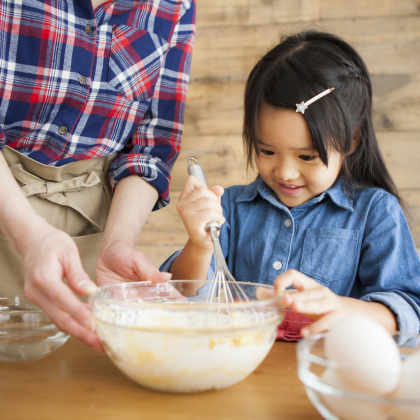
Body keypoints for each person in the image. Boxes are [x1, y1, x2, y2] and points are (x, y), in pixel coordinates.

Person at [161, 30, 420, 338]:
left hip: (331, 371)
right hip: (246, 371)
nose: (285, 172)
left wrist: (345, 310)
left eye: (307, 157)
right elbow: (182, 295)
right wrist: (200, 246)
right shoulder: (229, 207)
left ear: (351, 141)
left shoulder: (374, 212)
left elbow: (408, 306)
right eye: (266, 151)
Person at [0, 0, 195, 351]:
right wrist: (28, 235)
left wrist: (117, 244)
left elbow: (151, 147)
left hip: (92, 232)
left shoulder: (175, 6)